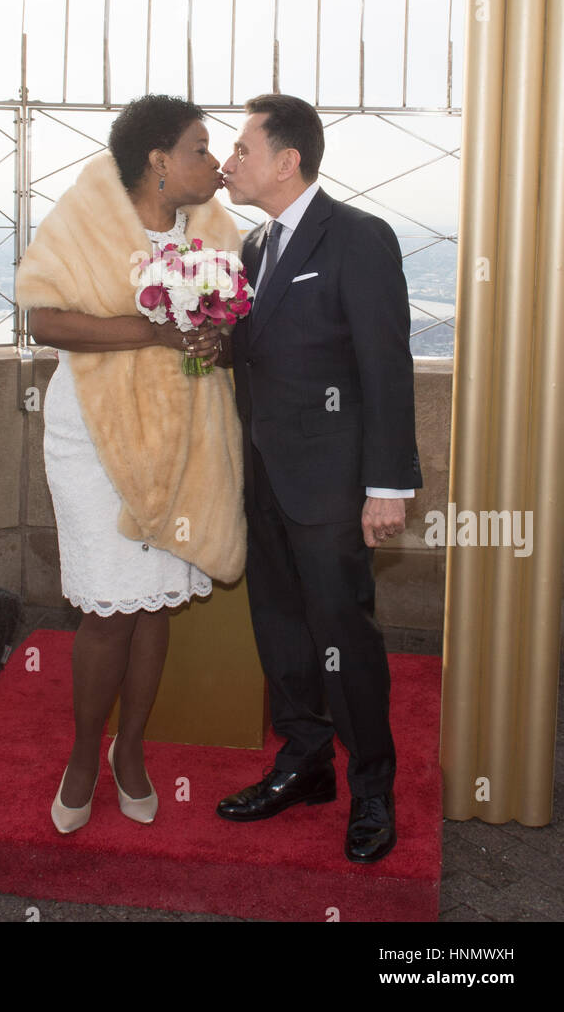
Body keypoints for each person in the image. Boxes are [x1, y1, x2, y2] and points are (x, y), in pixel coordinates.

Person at [14, 95, 246, 835]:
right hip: (92, 437)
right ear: (158, 160)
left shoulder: (216, 231)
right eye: (202, 149)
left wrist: (214, 342)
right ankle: (84, 757)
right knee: (107, 610)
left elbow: (235, 331)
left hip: (179, 441)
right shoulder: (84, 215)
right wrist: (153, 332)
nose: (215, 164)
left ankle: (132, 753)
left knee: (153, 603)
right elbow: (44, 319)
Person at [218, 94, 422, 863]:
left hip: (334, 487)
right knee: (278, 630)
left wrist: (387, 485)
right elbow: (253, 356)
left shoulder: (359, 239)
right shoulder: (250, 248)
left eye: (241, 149)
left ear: (286, 160)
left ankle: (372, 788)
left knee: (345, 639)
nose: (229, 163)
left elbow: (384, 365)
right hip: (263, 481)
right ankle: (304, 763)